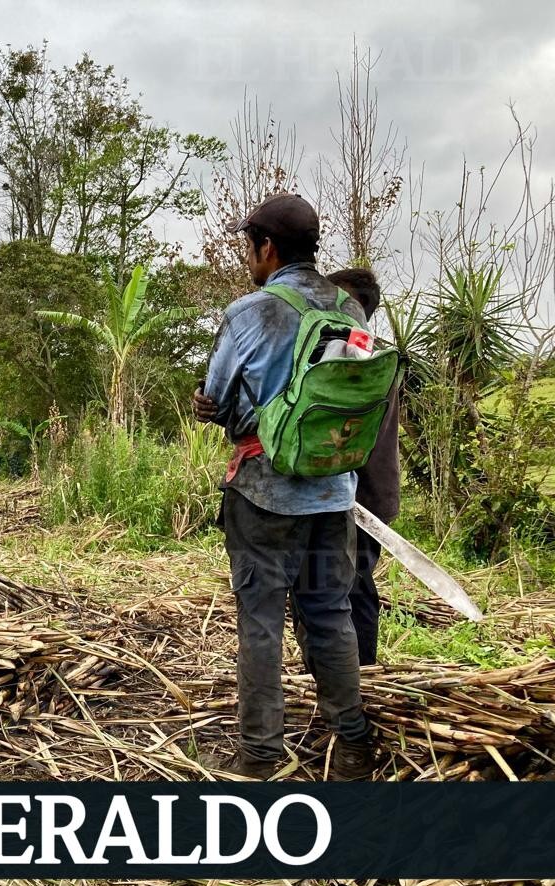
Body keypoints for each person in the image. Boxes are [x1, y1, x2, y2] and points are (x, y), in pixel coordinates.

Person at [192, 193, 377, 781]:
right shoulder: (351, 307)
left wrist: (212, 407)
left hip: (265, 494)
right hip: (334, 493)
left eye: (251, 248)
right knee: (330, 614)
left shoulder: (252, 311)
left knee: (262, 620)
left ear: (266, 248)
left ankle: (259, 757)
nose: (251, 258)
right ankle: (352, 747)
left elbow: (219, 398)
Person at [326, 268, 399, 668]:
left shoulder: (359, 355)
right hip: (361, 494)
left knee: (353, 589)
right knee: (328, 586)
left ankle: (362, 678)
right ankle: (335, 677)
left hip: (361, 498)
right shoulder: (355, 350)